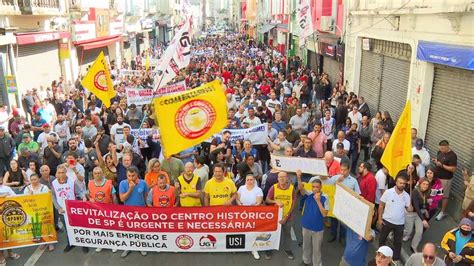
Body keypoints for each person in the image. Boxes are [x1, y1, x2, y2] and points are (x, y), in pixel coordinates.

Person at [296, 171, 328, 266]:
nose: (314, 189)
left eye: (317, 187)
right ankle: (306, 261)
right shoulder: (309, 194)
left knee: (316, 249)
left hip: (318, 229)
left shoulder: (325, 197)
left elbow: (324, 214)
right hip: (306, 226)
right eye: (313, 186)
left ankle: (317, 264)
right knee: (306, 246)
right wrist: (298, 177)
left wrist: (318, 201)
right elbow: (301, 189)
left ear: (320, 187)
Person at [378, 173, 411, 263]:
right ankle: (381, 255)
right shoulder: (388, 192)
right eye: (400, 183)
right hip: (387, 221)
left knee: (398, 242)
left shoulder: (407, 196)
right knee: (382, 239)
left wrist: (410, 208)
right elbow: (381, 205)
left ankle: (396, 259)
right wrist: (379, 219)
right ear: (396, 182)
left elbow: (409, 209)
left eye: (404, 183)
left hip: (400, 223)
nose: (402, 185)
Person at [265, 171, 296, 260]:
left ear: (287, 178)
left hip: (287, 217)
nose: (282, 179)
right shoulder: (273, 188)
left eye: (284, 177)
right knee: (271, 233)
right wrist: (275, 201)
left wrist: (286, 217)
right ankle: (269, 249)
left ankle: (287, 249)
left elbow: (293, 203)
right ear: (277, 179)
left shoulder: (291, 188)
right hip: (275, 217)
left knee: (287, 234)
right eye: (280, 177)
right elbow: (267, 200)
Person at [119, 166, 149, 258]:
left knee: (140, 230)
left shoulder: (143, 183)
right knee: (129, 230)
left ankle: (141, 246)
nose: (131, 178)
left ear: (137, 175)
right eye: (129, 176)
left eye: (133, 175)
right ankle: (128, 247)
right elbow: (122, 198)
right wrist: (131, 189)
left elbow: (145, 196)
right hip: (128, 212)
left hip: (141, 211)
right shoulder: (123, 183)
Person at [51, 164, 81, 253]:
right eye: (59, 173)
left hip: (73, 209)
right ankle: (70, 243)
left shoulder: (72, 181)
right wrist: (58, 207)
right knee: (67, 228)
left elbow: (79, 191)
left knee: (78, 227)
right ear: (57, 173)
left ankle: (83, 244)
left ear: (66, 172)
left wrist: (83, 196)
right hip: (62, 211)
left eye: (63, 172)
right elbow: (53, 196)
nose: (61, 174)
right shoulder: (54, 183)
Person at [236, 173, 264, 260]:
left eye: (251, 180)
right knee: (241, 230)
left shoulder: (258, 190)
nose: (249, 181)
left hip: (253, 213)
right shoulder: (241, 188)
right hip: (242, 212)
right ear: (245, 181)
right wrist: (240, 205)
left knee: (252, 231)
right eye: (248, 180)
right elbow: (237, 199)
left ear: (254, 180)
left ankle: (253, 249)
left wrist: (250, 210)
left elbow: (259, 202)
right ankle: (242, 246)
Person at [403, 178, 431, 253]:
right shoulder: (415, 192)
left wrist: (425, 210)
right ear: (420, 184)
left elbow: (423, 204)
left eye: (427, 184)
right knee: (408, 231)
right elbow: (416, 206)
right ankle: (395, 231)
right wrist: (424, 220)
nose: (425, 186)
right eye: (424, 184)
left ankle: (413, 246)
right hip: (411, 213)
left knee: (419, 231)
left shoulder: (426, 193)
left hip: (419, 214)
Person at [434, 140, 457, 221]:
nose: (441, 150)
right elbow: (439, 162)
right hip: (437, 176)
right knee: (435, 192)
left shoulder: (452, 156)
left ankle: (442, 212)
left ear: (448, 146)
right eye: (440, 148)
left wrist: (442, 165)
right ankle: (434, 206)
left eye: (443, 149)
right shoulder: (439, 152)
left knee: (444, 196)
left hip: (445, 179)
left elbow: (453, 169)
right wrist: (436, 162)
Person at [0, 175, 21, 264]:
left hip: (7, 216)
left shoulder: (6, 188)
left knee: (8, 236)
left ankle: (10, 253)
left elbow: (16, 197)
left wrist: (8, 195)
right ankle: (1, 257)